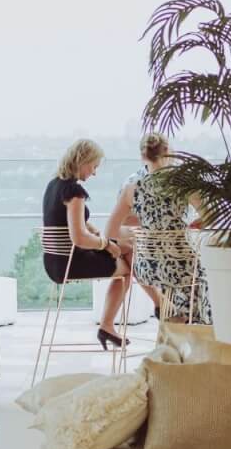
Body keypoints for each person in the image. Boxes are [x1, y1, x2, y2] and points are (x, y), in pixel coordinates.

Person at [108, 133, 211, 325]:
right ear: (168, 152)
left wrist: (138, 232)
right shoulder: (183, 183)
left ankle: (173, 322)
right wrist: (198, 223)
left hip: (147, 268)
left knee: (185, 280)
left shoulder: (131, 188)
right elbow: (212, 215)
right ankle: (188, 326)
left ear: (143, 156)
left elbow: (111, 231)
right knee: (204, 276)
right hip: (183, 266)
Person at [42, 138, 133, 350]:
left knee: (127, 246)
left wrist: (92, 229)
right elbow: (79, 238)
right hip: (71, 263)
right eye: (94, 166)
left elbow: (64, 221)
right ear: (83, 161)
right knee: (128, 269)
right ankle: (108, 326)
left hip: (54, 262)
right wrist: (106, 244)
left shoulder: (54, 185)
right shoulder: (74, 192)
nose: (94, 173)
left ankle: (109, 326)